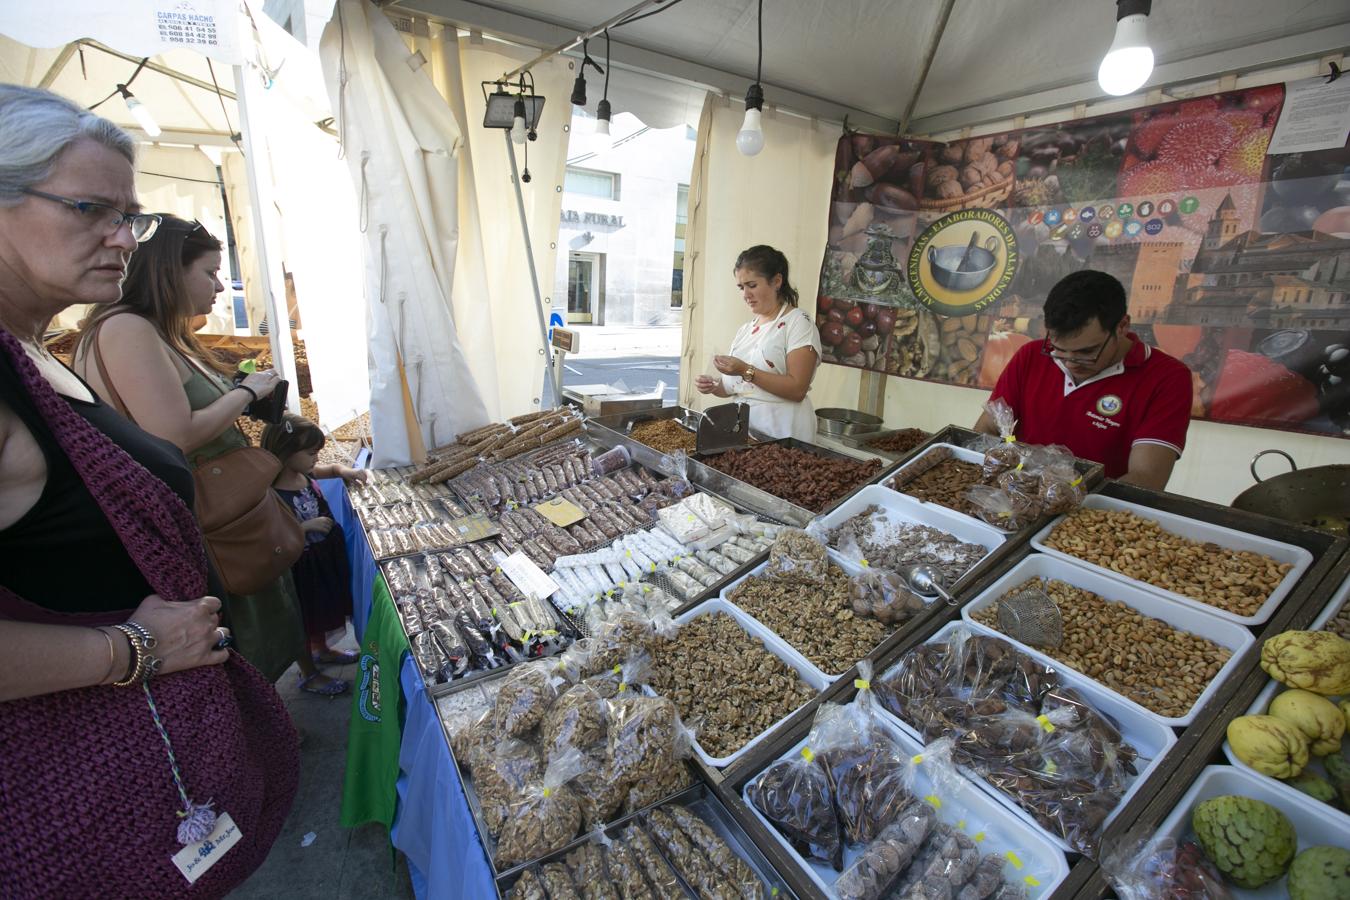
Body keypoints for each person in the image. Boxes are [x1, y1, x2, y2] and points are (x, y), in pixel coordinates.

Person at [0, 83, 297, 895]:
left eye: (128, 215)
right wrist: (127, 652)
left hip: (136, 767)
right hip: (70, 804)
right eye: (92, 208)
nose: (123, 237)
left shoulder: (39, 350)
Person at [73, 214, 347, 694]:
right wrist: (245, 392)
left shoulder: (155, 332)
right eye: (209, 272)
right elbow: (173, 434)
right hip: (202, 522)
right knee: (233, 635)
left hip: (219, 518)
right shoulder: (127, 330)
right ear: (168, 272)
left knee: (254, 625)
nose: (220, 286)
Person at [975, 269, 1192, 490]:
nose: (1070, 362)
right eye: (1058, 350)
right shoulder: (1032, 354)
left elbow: (1146, 478)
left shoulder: (1168, 378)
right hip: (1013, 499)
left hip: (1097, 512)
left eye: (1087, 352)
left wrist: (1067, 499)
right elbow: (986, 429)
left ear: (1122, 326)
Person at [263, 413, 365, 667]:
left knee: (322, 610)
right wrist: (304, 527)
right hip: (301, 565)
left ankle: (322, 649)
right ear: (285, 453)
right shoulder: (270, 492)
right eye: (310, 453)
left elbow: (331, 469)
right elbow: (270, 532)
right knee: (305, 617)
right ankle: (308, 671)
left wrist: (346, 471)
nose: (316, 458)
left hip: (323, 558)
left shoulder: (306, 474)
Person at [694, 245, 822, 441]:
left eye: (752, 285)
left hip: (784, 431)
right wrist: (714, 385)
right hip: (746, 431)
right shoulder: (746, 330)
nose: (746, 294)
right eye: (741, 287)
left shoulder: (798, 322)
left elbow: (797, 389)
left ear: (777, 281)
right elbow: (734, 388)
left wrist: (745, 370)